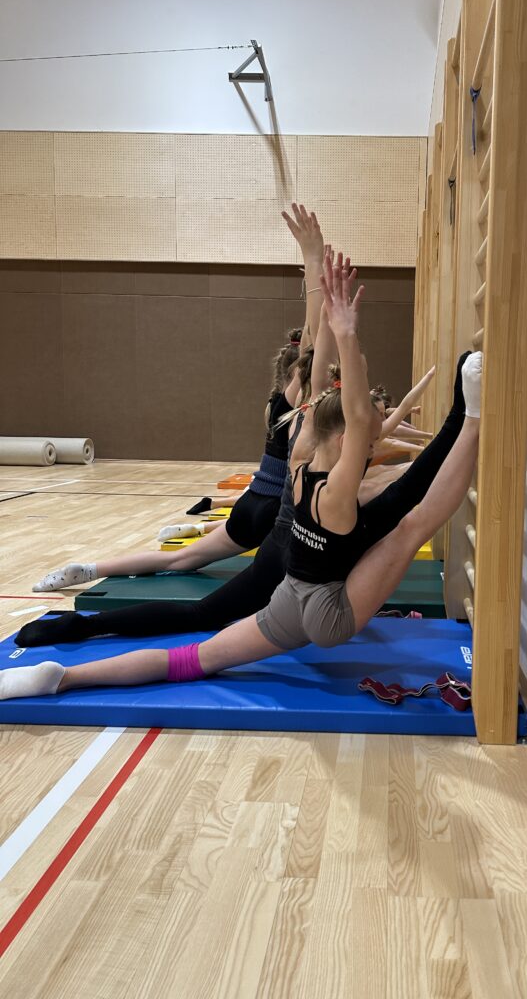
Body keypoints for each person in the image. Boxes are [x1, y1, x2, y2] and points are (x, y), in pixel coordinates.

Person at [2, 255, 481, 700]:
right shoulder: (338, 490)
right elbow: (356, 417)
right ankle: (474, 419)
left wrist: (336, 327)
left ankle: (62, 677)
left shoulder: (301, 460)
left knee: (192, 658)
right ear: (345, 441)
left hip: (288, 598)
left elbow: (331, 397)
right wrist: (345, 332)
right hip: (329, 613)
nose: (373, 444)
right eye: (368, 440)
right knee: (413, 524)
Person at [30, 204, 328, 593]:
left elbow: (309, 340)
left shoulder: (274, 403)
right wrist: (313, 260)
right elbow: (314, 338)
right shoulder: (297, 399)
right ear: (297, 375)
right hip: (275, 510)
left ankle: (87, 569)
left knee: (179, 559)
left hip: (253, 501)